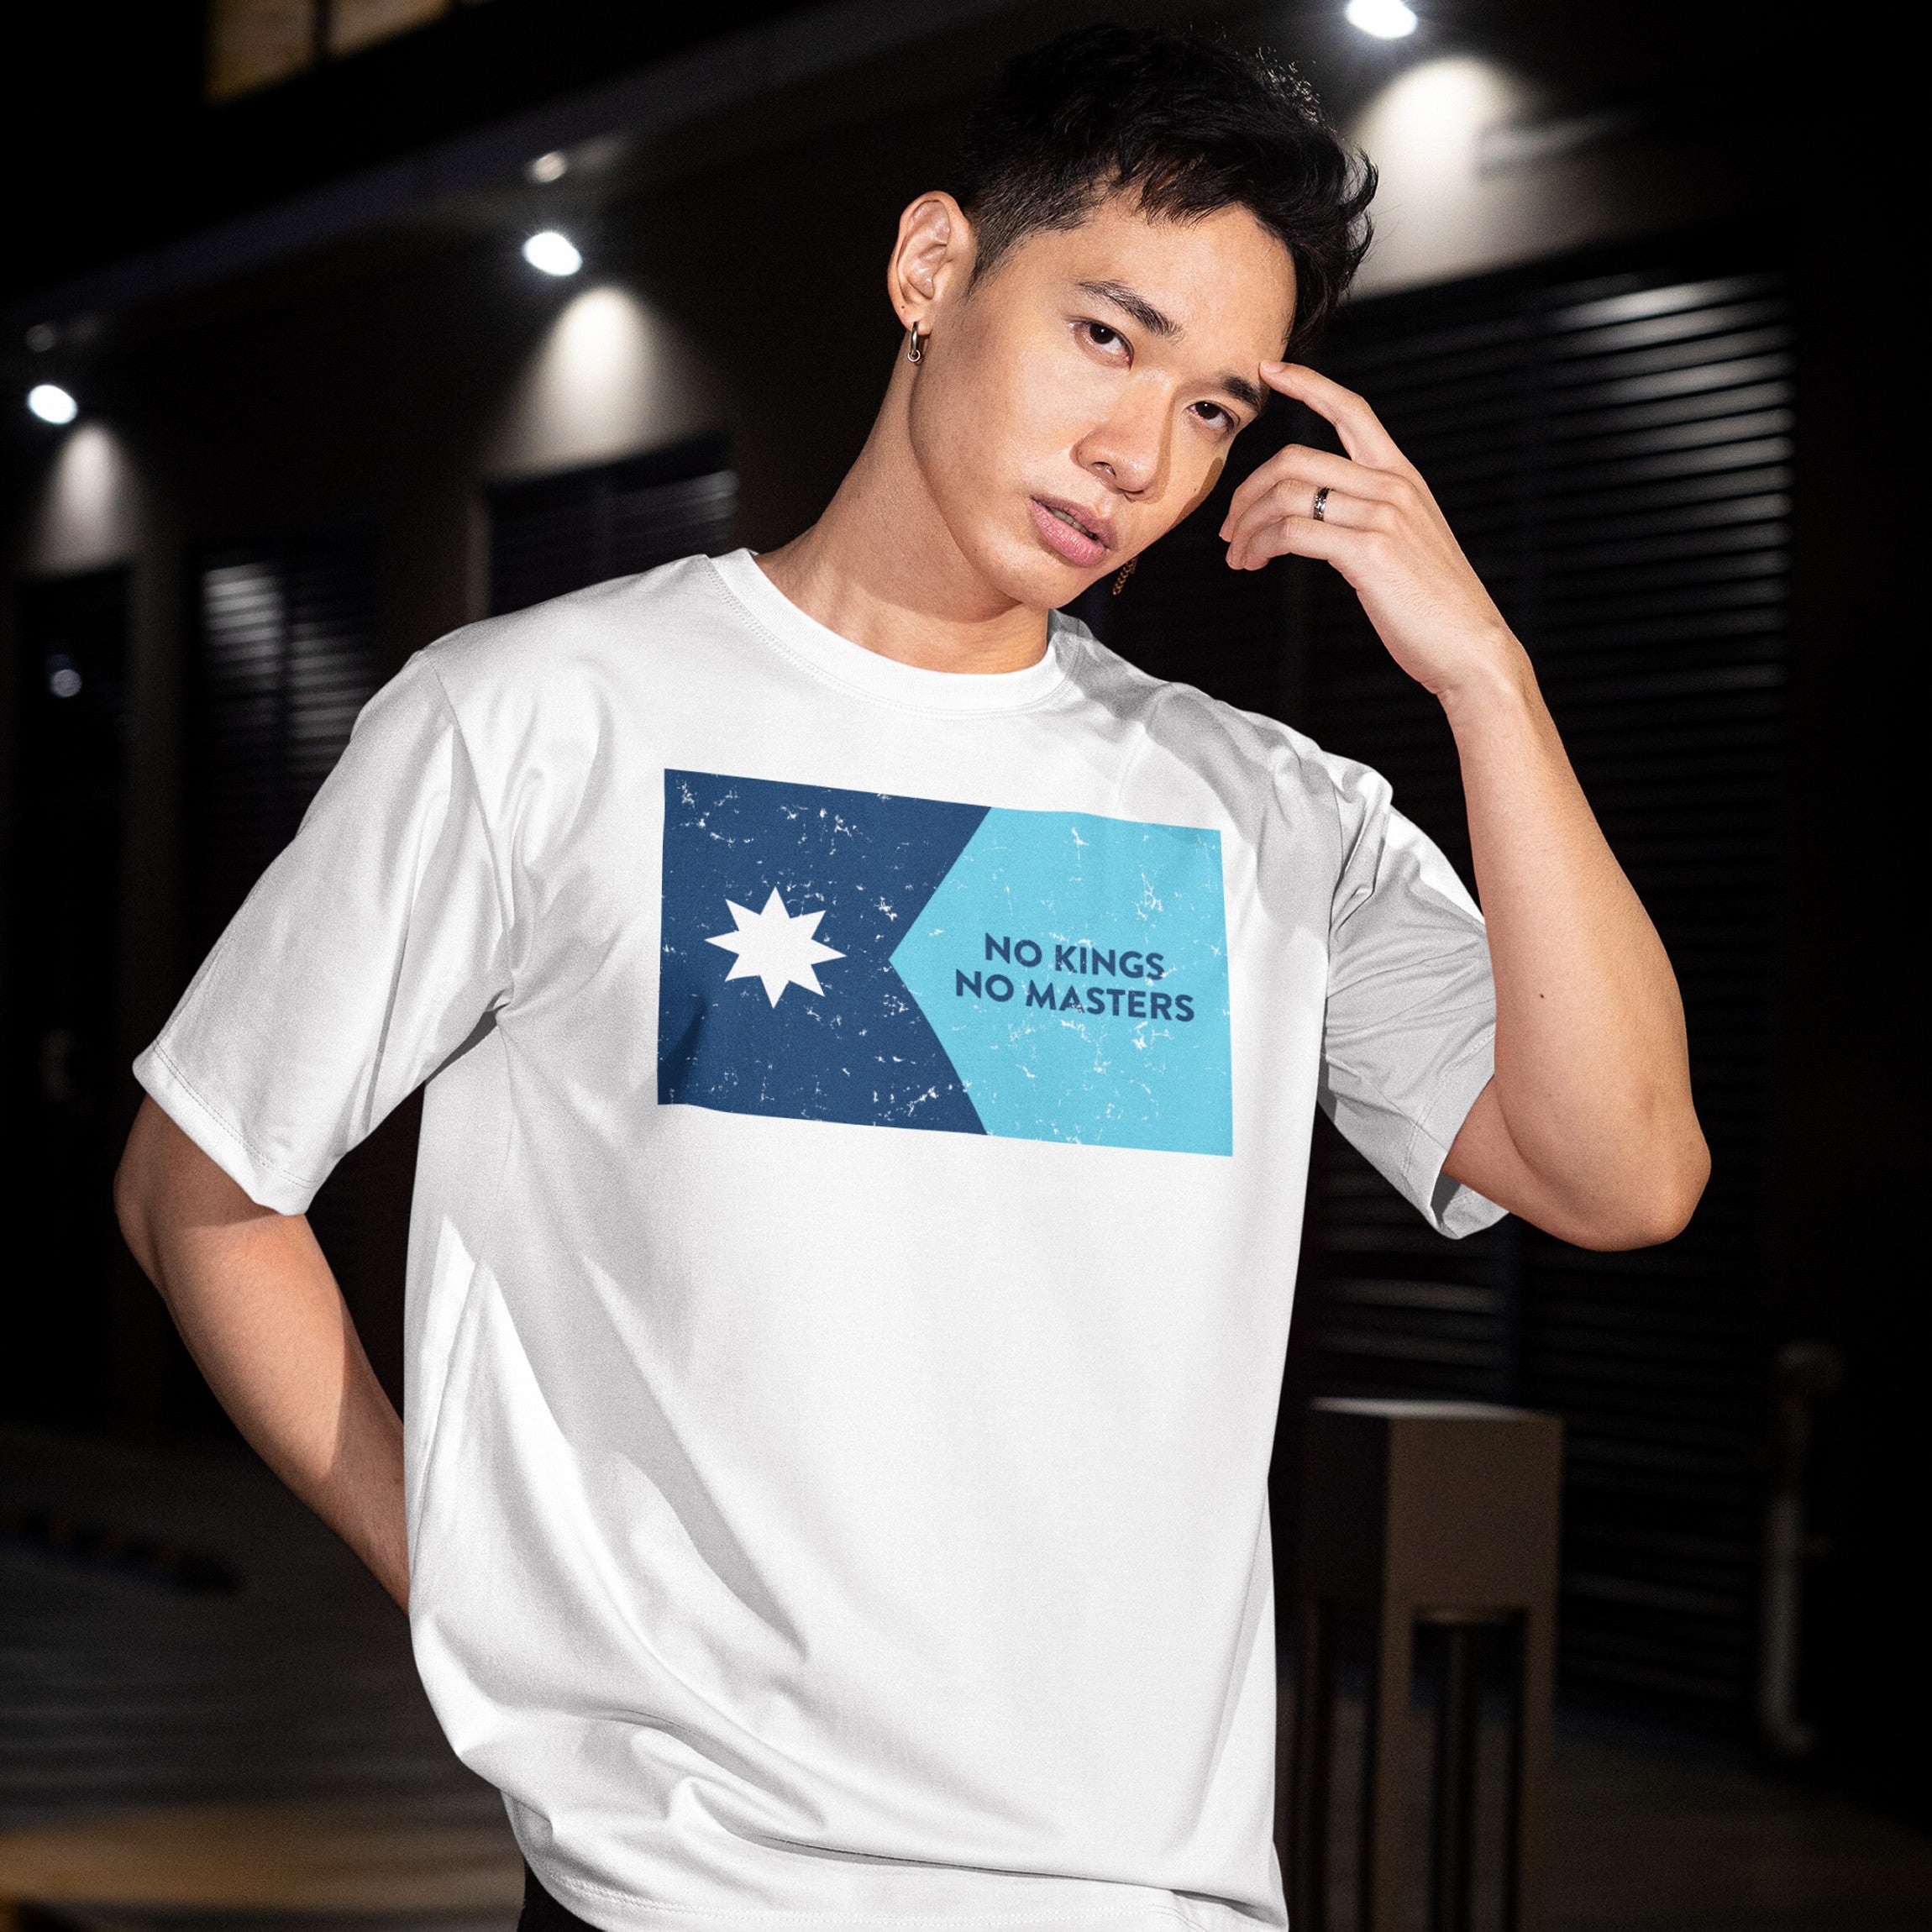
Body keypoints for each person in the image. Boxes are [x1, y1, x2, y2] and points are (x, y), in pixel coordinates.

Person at [113, 23, 1707, 1932]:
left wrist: (1488, 682)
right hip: (689, 1891)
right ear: (932, 266)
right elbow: (200, 1182)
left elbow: (1625, 1172)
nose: (1137, 457)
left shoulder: (1262, 818)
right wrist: (463, 1574)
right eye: (1106, 338)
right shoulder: (538, 720)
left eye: (1215, 412)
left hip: (1153, 1893)